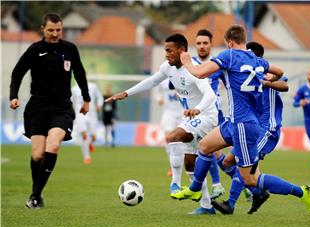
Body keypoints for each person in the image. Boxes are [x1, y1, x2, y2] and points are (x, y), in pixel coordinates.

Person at [171, 25, 310, 215]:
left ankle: (301, 191)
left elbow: (199, 72)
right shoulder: (258, 61)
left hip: (244, 126)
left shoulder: (229, 55)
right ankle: (195, 190)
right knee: (205, 146)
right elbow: (279, 71)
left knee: (251, 180)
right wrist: (269, 78)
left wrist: (187, 62)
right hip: (233, 122)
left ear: (229, 42)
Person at [106, 33, 218, 215]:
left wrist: (197, 109)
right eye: (165, 50)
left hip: (206, 115)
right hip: (191, 118)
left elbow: (210, 95)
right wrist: (126, 93)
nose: (166, 54)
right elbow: (151, 81)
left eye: (169, 50)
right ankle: (207, 206)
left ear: (182, 51)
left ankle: (174, 182)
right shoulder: (167, 67)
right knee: (190, 164)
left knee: (172, 136)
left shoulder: (194, 69)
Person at [9, 13, 90, 208]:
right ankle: (36, 193)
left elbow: (79, 73)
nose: (55, 34)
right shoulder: (35, 50)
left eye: (58, 30)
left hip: (61, 107)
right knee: (38, 155)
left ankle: (36, 195)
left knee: (53, 146)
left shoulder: (69, 49)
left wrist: (86, 99)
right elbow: (17, 73)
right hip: (37, 107)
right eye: (50, 30)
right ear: (43, 29)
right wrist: (14, 96)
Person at [213, 42, 290, 214]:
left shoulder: (267, 72)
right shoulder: (246, 73)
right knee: (227, 162)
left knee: (243, 164)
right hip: (251, 125)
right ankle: (257, 192)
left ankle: (231, 204)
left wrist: (267, 82)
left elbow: (285, 85)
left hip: (267, 129)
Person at [192, 29, 225, 199]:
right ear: (195, 45)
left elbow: (230, 86)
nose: (202, 46)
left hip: (214, 113)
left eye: (205, 43)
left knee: (209, 149)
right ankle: (242, 183)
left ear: (211, 45)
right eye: (199, 43)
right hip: (197, 114)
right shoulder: (191, 64)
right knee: (210, 151)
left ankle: (222, 184)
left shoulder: (217, 65)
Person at [155, 79, 185, 190]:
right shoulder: (163, 80)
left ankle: (183, 164)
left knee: (185, 141)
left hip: (183, 113)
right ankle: (172, 166)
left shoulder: (182, 77)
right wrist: (159, 99)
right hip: (169, 113)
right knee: (168, 139)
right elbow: (158, 91)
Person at [72, 82, 103, 164]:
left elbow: (100, 98)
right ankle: (87, 157)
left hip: (92, 114)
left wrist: (99, 106)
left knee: (93, 136)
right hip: (80, 115)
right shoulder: (74, 89)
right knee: (84, 135)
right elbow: (70, 101)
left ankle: (89, 143)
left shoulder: (93, 86)